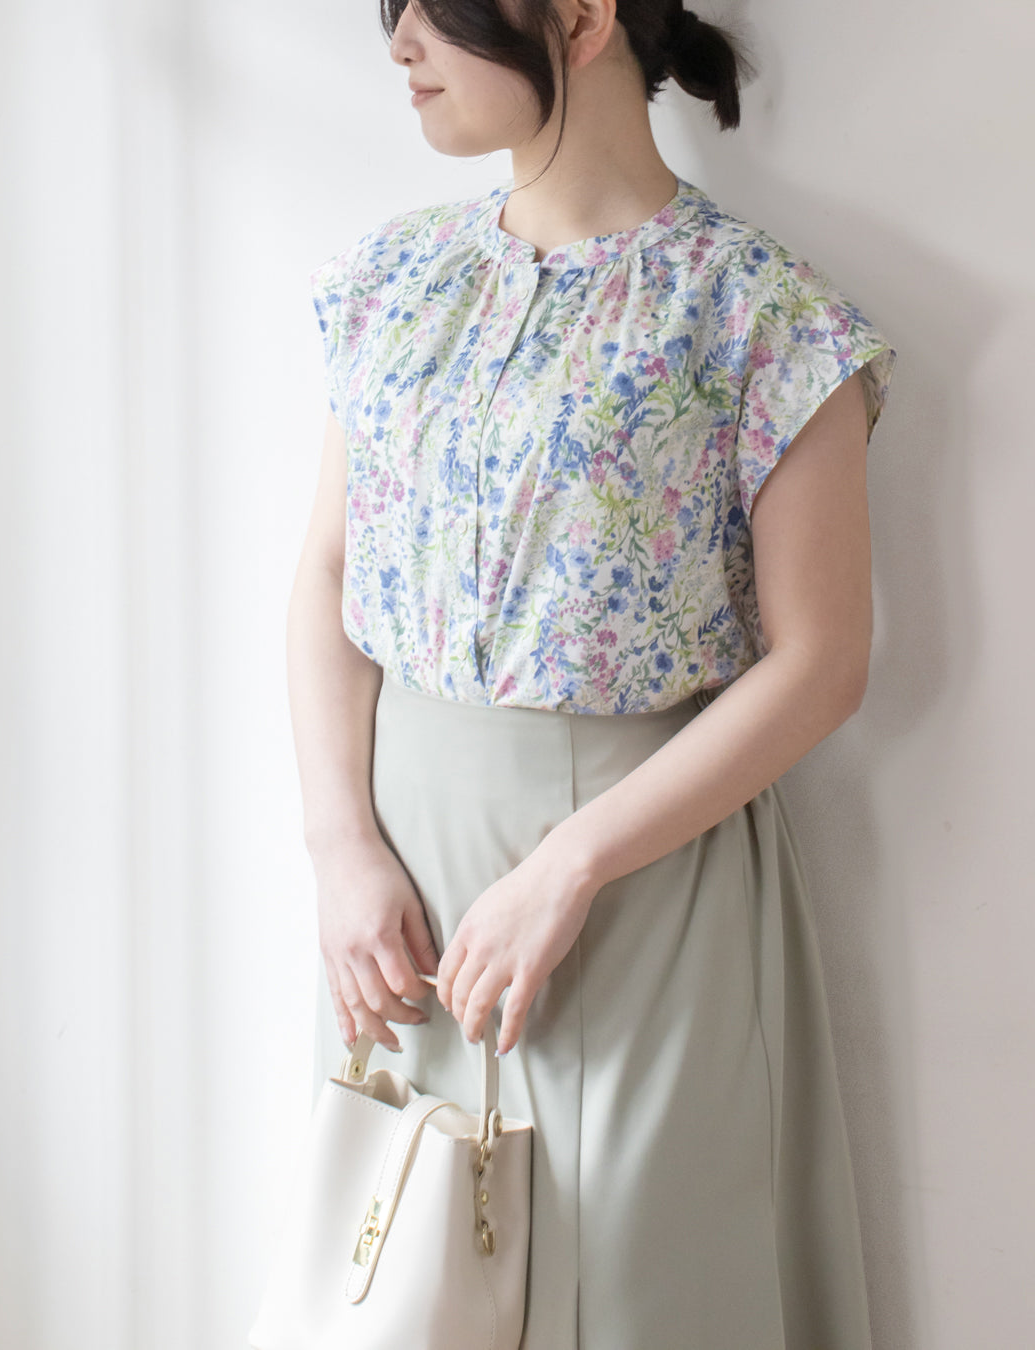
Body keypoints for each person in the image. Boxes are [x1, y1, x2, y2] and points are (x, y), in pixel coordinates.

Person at [286, 2, 897, 1346]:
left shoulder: (761, 313)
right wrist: (338, 846)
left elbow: (824, 659)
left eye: (435, 8)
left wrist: (570, 867)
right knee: (410, 1278)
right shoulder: (393, 282)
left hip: (642, 894)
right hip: (405, 911)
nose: (398, 45)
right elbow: (329, 579)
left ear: (580, 15)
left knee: (639, 1287)